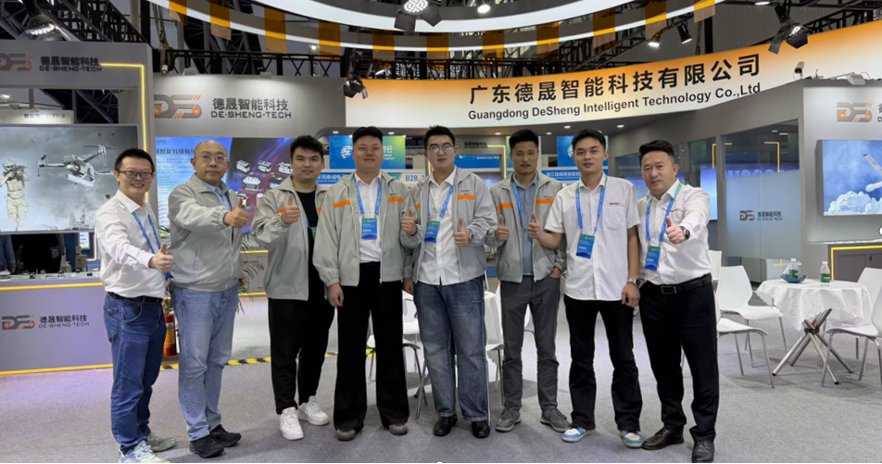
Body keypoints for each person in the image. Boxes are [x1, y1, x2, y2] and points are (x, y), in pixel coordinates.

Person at [532, 129, 644, 448]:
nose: (587, 156)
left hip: (617, 288)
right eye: (580, 152)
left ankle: (629, 423)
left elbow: (632, 237)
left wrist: (632, 280)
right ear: (574, 157)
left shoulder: (623, 189)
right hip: (578, 288)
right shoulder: (565, 196)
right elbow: (556, 238)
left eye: (594, 150)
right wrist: (538, 233)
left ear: (605, 154)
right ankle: (582, 420)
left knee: (623, 357)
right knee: (581, 358)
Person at [315, 126, 412, 442]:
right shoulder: (337, 192)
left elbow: (410, 235)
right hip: (350, 279)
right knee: (351, 349)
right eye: (362, 148)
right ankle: (348, 417)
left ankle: (394, 413)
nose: (369, 153)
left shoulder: (399, 189)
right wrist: (332, 281)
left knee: (390, 347)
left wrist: (407, 270)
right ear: (352, 153)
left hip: (388, 277)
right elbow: (326, 240)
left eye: (375, 148)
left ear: (383, 152)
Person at [401, 125, 497, 439]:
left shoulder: (474, 183)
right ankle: (445, 412)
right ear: (426, 153)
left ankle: (476, 413)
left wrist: (471, 233)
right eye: (434, 147)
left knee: (471, 350)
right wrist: (410, 240)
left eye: (445, 146)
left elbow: (488, 221)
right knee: (435, 350)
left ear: (455, 150)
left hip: (464, 277)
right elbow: (409, 238)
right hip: (427, 281)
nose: (440, 152)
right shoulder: (417, 190)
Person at [635, 140, 717, 464]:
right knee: (664, 367)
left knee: (702, 367)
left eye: (659, 166)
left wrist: (683, 229)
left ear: (674, 168)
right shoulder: (640, 206)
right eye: (647, 168)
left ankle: (705, 435)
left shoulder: (693, 196)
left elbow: (698, 216)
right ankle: (672, 426)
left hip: (693, 295)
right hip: (654, 297)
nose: (653, 173)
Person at [484, 129, 569, 434]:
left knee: (547, 347)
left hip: (546, 278)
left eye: (530, 153)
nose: (525, 159)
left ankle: (549, 408)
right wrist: (495, 236)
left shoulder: (555, 188)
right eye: (519, 153)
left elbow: (565, 233)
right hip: (511, 279)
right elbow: (489, 241)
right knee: (512, 348)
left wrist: (558, 267)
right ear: (511, 156)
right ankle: (512, 407)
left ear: (537, 154)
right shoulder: (497, 192)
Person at [95, 148, 177, 463]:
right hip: (127, 309)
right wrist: (152, 260)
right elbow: (119, 248)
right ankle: (129, 447)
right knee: (127, 383)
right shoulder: (111, 212)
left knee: (146, 380)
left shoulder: (145, 208)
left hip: (152, 306)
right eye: (131, 172)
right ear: (117, 175)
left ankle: (141, 432)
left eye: (145, 173)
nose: (138, 178)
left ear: (152, 177)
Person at [252, 136, 334, 442]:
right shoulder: (274, 197)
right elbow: (261, 236)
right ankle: (286, 408)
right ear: (291, 163)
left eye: (313, 159)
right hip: (286, 287)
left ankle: (308, 400)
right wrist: (281, 221)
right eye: (301, 158)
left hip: (322, 287)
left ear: (322, 164)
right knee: (285, 352)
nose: (307, 164)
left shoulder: (330, 197)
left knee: (315, 351)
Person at [168, 140, 245, 459]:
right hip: (195, 291)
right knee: (195, 363)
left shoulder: (231, 195)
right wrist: (224, 217)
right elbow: (192, 217)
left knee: (216, 361)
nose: (213, 163)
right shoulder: (182, 194)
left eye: (219, 158)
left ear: (227, 164)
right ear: (194, 162)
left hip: (226, 289)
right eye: (206, 157)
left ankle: (213, 424)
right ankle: (197, 432)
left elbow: (233, 240)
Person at [1, 159, 29, 231]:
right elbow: (0, 184)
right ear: (5, 168)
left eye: (12, 166)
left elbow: (28, 179)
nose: (10, 168)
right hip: (11, 200)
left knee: (22, 219)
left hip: (21, 199)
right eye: (8, 167)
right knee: (12, 220)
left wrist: (21, 174)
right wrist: (7, 176)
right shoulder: (4, 175)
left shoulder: (19, 172)